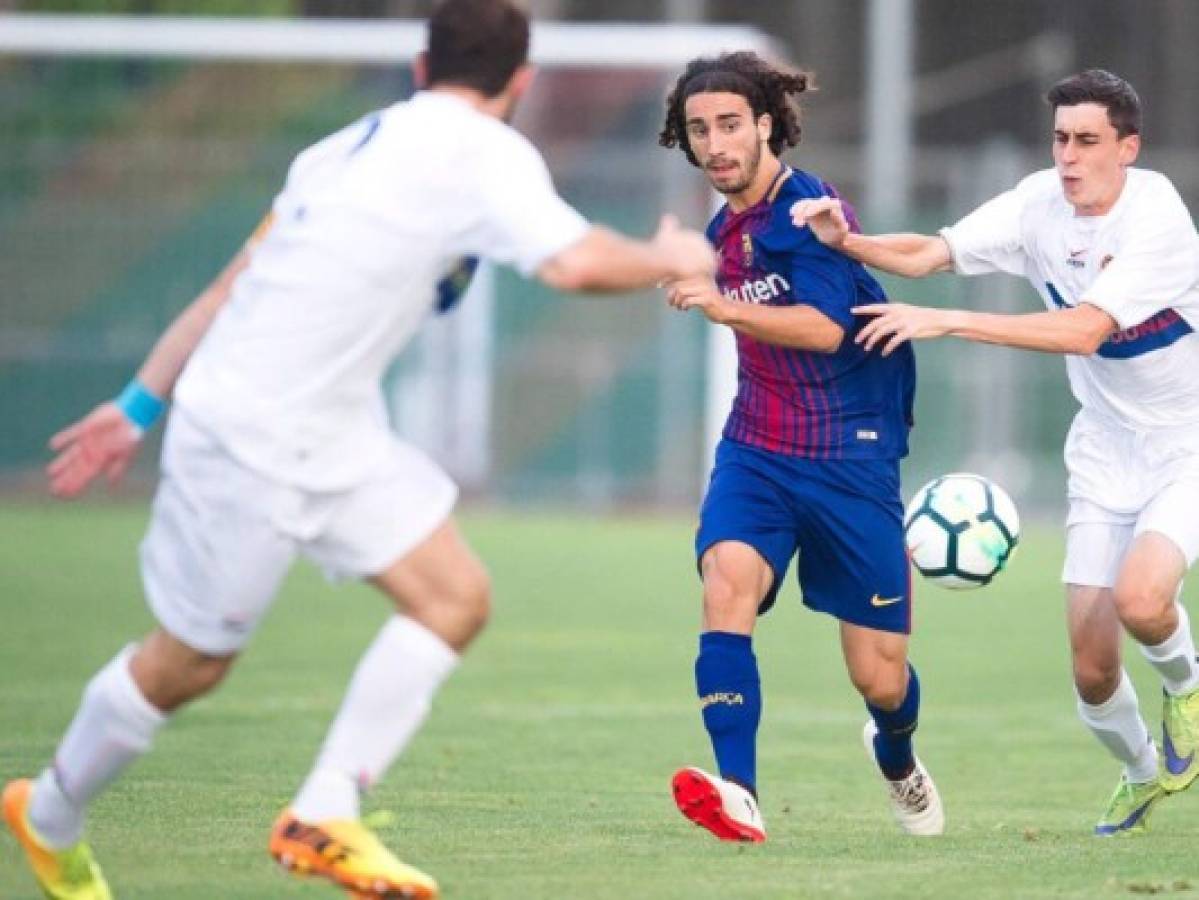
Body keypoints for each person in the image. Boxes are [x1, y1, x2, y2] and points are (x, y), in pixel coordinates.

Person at [0, 2, 717, 897]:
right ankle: (50, 811)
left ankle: (323, 815)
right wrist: (672, 254)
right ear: (520, 84)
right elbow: (572, 264)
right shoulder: (481, 151)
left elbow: (233, 281)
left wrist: (139, 401)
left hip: (330, 429)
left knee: (452, 596)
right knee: (190, 663)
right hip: (247, 436)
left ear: (421, 66)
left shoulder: (339, 147)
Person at [791, 68, 1199, 836]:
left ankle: (1187, 689)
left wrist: (945, 324)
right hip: (1105, 451)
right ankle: (1142, 772)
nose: (1068, 158)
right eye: (1059, 140)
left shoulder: (1158, 220)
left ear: (1128, 149)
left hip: (1188, 444)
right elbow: (928, 254)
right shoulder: (1036, 205)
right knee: (1090, 666)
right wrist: (849, 241)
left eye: (1086, 142)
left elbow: (1082, 330)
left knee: (1144, 600)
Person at [656, 51, 943, 845]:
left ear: (764, 124)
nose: (713, 144)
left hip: (852, 458)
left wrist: (717, 304)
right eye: (697, 130)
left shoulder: (803, 208)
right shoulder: (726, 225)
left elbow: (823, 329)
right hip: (757, 450)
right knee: (726, 583)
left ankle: (897, 759)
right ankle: (738, 793)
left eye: (727, 126)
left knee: (878, 679)